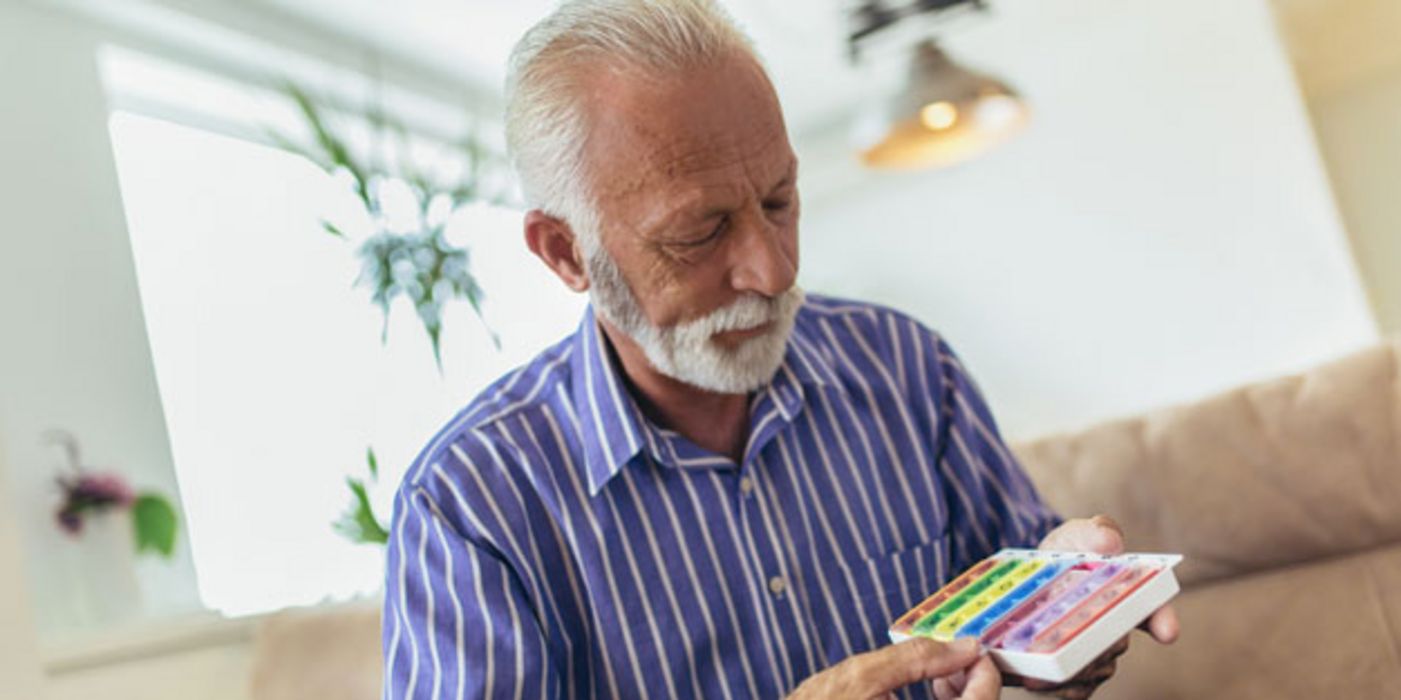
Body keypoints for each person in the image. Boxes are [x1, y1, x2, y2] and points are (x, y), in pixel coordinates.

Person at [382, 1, 1178, 698]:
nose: (772, 270)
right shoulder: (469, 509)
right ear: (564, 252)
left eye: (779, 200)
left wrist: (1066, 607)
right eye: (698, 233)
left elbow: (1018, 601)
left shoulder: (907, 369)